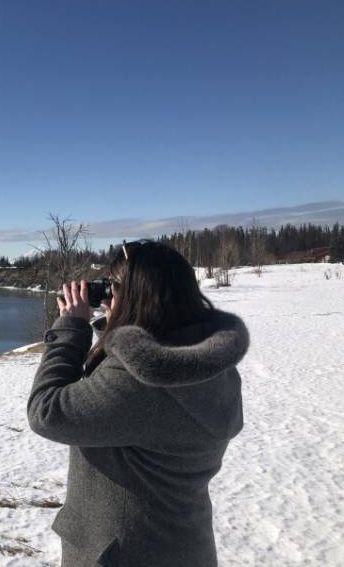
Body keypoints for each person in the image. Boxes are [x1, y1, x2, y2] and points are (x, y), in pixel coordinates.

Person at [27, 239, 250, 567]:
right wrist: (119, 321)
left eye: (114, 288)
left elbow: (46, 411)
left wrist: (71, 328)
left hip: (119, 554)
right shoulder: (209, 365)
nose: (108, 296)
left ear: (133, 296)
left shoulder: (140, 380)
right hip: (183, 546)